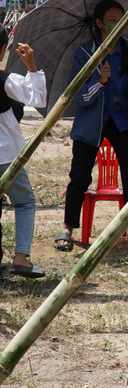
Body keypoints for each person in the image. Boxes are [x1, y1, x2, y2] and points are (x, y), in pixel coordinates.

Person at [56, 0, 128, 255]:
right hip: (90, 125)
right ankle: (67, 229)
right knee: (79, 177)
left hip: (124, 123)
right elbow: (78, 97)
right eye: (111, 19)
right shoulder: (85, 54)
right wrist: (101, 82)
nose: (117, 23)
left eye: (121, 18)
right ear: (99, 23)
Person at [0, 33, 46, 277]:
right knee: (24, 202)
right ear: (2, 51)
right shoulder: (5, 80)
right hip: (6, 157)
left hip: (6, 156)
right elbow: (37, 99)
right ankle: (21, 258)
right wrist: (31, 66)